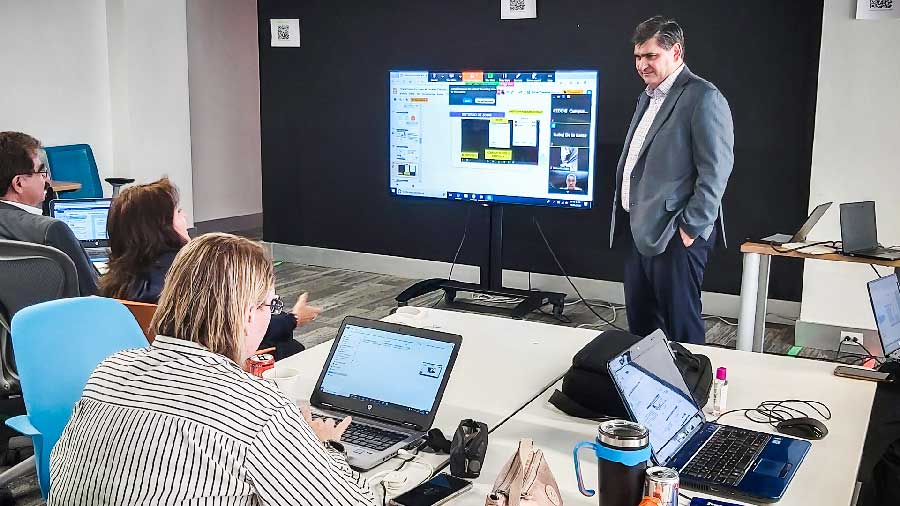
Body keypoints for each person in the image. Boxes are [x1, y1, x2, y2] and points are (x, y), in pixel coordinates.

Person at [49, 233, 376, 505]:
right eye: (270, 305)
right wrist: (323, 447)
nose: (270, 314)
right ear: (247, 313)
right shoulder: (257, 409)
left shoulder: (108, 370)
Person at [608, 16, 734, 344]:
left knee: (681, 330)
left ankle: (693, 392)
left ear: (675, 52)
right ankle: (647, 391)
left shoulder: (703, 97)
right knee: (642, 328)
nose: (642, 65)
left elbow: (716, 169)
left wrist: (690, 228)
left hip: (675, 235)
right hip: (640, 231)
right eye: (638, 57)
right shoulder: (648, 96)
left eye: (651, 56)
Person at [100, 177, 316, 359]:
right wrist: (293, 319)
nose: (185, 217)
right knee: (292, 349)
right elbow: (235, 328)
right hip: (213, 364)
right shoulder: (195, 273)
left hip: (154, 368)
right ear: (161, 225)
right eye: (179, 211)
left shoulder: (112, 281)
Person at [0, 131, 98, 295]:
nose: (47, 180)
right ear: (18, 183)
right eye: (42, 172)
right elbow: (93, 294)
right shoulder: (52, 231)